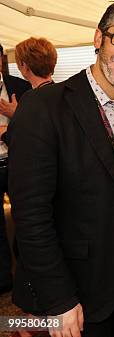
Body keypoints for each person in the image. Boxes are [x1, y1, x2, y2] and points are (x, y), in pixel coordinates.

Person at [8, 0, 114, 337]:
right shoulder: (43, 108)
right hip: (76, 288)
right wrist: (59, 299)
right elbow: (31, 215)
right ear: (99, 39)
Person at [0, 42, 31, 295]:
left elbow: (35, 125)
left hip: (17, 163)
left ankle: (29, 276)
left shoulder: (21, 87)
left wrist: (14, 118)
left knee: (26, 219)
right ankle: (3, 279)